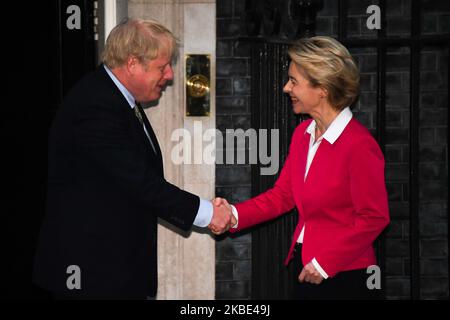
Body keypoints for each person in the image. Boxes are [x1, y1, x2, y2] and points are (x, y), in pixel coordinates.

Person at [33, 18, 234, 300]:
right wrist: (208, 213)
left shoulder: (118, 100)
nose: (170, 75)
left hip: (113, 274)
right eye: (162, 67)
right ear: (132, 64)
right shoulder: (95, 105)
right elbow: (140, 183)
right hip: (91, 278)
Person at [214, 36, 390, 300]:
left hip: (345, 275)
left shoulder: (359, 145)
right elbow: (283, 196)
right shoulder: (302, 134)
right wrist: (234, 215)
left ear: (323, 88)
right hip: (306, 266)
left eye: (294, 81)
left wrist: (325, 263)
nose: (286, 88)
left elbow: (374, 218)